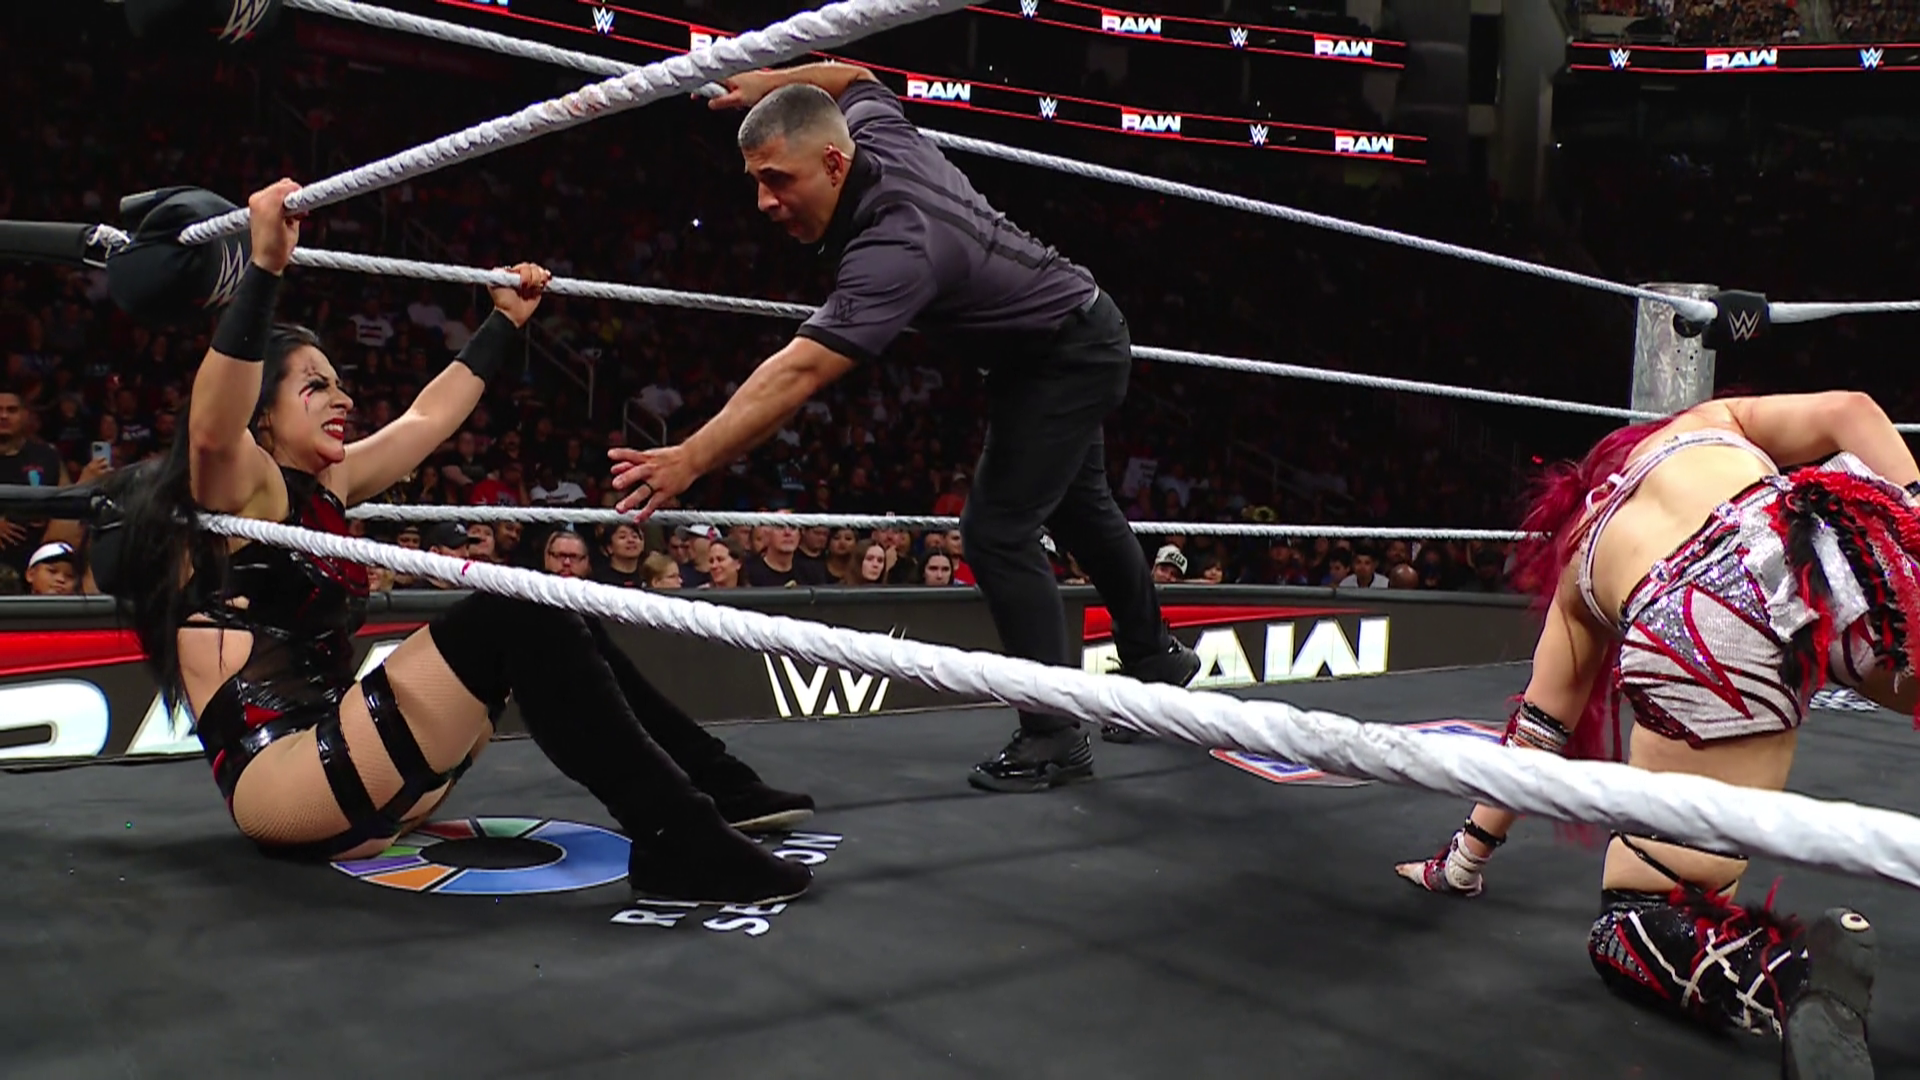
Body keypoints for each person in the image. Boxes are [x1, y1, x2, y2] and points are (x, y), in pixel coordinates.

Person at [99, 180, 812, 905]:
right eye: (315, 387)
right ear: (263, 416)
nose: (344, 399)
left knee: (548, 602)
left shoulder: (325, 486)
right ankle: (678, 842)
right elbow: (212, 428)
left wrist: (503, 321)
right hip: (289, 784)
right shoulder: (239, 487)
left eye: (340, 383)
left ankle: (716, 789)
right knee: (511, 611)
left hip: (361, 768)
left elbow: (424, 421)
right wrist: (264, 268)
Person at [607, 63, 1199, 793]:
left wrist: (691, 457)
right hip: (1061, 333)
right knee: (1083, 509)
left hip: (1063, 355)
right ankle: (1156, 659)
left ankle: (1053, 732)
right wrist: (772, 81)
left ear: (833, 164)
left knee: (997, 532)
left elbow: (800, 372)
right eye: (756, 181)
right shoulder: (872, 130)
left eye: (779, 180)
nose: (764, 201)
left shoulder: (896, 242)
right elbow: (854, 76)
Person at [1391, 392, 1912, 1079]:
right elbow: (1851, 410)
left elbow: (1536, 737)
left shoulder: (1581, 554)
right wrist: (1912, 511)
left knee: (1636, 920)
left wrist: (1461, 862)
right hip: (1816, 539)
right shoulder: (1711, 423)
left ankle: (1789, 978)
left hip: (1697, 613)